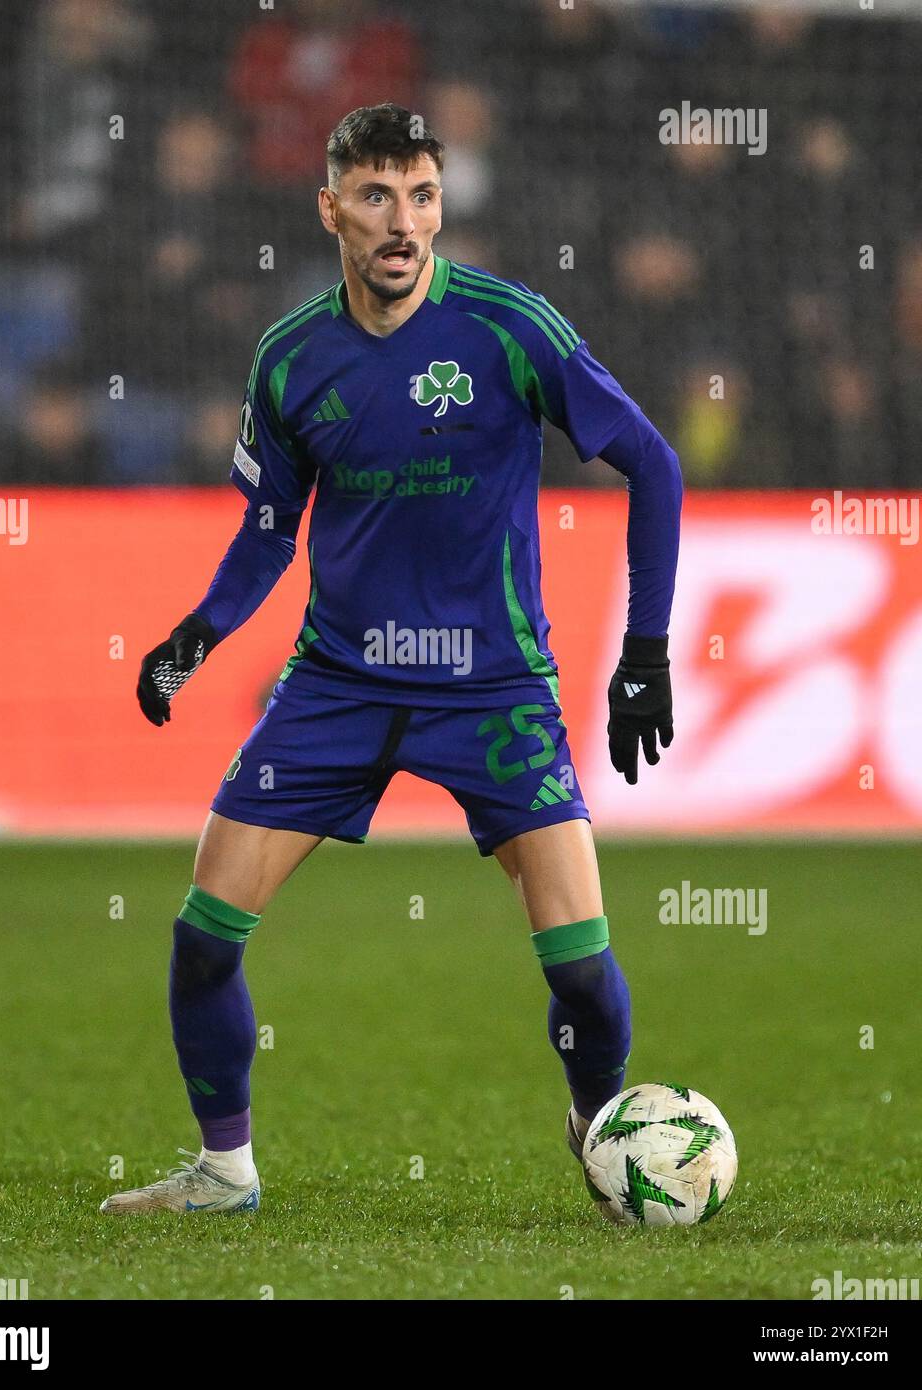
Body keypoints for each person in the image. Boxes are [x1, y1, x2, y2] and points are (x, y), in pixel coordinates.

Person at [101, 104, 682, 1215]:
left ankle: (601, 1131)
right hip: (339, 684)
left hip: (494, 688)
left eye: (419, 194)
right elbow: (272, 529)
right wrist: (197, 633)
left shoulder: (510, 328)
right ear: (331, 210)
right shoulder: (290, 359)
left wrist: (642, 654)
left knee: (580, 973)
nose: (400, 221)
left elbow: (651, 463)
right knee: (202, 936)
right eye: (374, 196)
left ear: (440, 204)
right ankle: (225, 1169)